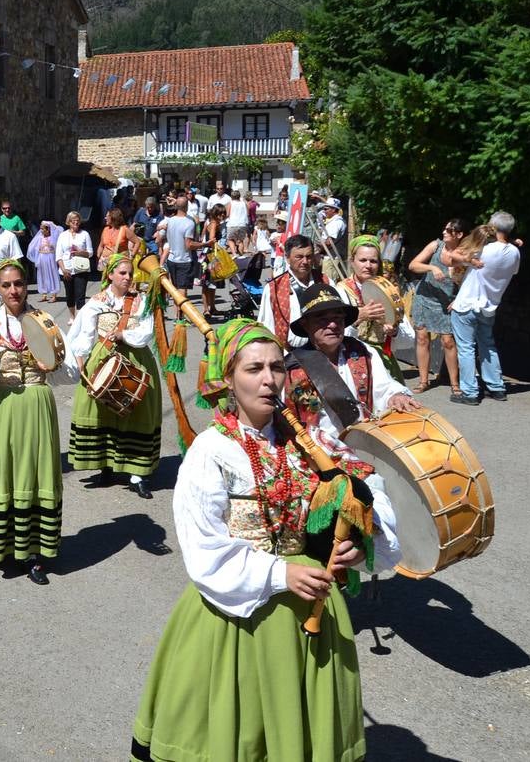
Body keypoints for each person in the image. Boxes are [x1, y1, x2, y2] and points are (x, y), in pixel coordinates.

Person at [129, 319, 401, 762]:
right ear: (228, 378)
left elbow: (366, 493)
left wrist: (356, 542)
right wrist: (280, 572)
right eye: (253, 368)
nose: (269, 379)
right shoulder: (212, 451)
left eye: (276, 367)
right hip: (237, 611)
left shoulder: (310, 439)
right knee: (238, 730)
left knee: (298, 731)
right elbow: (203, 547)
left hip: (311, 606)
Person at [0, 259, 78, 584]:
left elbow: (72, 373)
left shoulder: (45, 321)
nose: (13, 290)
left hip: (36, 407)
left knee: (33, 478)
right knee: (2, 474)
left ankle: (33, 553)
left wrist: (51, 364)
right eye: (6, 285)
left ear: (27, 286)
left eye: (19, 284)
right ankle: (1, 546)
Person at [66, 253, 163, 498]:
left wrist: (123, 336)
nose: (128, 278)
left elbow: (146, 332)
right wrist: (79, 358)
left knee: (136, 411)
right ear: (109, 274)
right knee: (100, 413)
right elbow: (83, 333)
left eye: (130, 273)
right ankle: (106, 466)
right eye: (122, 273)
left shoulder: (140, 301)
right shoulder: (96, 302)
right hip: (102, 360)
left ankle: (137, 474)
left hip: (135, 360)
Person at [284, 284, 420, 439]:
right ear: (305, 324)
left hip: (364, 445)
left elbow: (384, 387)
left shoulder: (362, 350)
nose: (333, 325)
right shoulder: (292, 368)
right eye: (322, 319)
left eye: (337, 318)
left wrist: (396, 395)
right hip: (320, 453)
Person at [450, 211, 521, 405]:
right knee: (488, 345)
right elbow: (512, 271)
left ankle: (470, 392)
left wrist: (468, 260)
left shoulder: (484, 249)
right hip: (490, 305)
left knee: (466, 348)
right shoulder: (515, 252)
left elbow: (452, 256)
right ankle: (496, 387)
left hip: (467, 303)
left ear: (493, 226)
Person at [335, 235, 406, 383]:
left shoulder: (387, 289)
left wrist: (394, 332)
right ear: (352, 262)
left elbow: (409, 338)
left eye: (373, 261)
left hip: (382, 360)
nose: (368, 265)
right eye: (363, 260)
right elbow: (334, 335)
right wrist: (359, 317)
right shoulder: (341, 290)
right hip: (350, 359)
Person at [407, 218, 464, 396]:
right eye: (444, 229)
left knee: (448, 341)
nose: (444, 232)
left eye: (449, 230)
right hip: (424, 297)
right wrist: (432, 267)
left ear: (459, 235)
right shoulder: (435, 245)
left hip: (447, 301)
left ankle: (455, 384)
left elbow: (472, 280)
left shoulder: (465, 253)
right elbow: (413, 265)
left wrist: (460, 299)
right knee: (422, 338)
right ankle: (423, 381)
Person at [257, 234, 323, 348]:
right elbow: (267, 326)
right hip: (289, 354)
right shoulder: (274, 288)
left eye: (309, 256)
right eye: (299, 257)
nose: (305, 261)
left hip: (323, 352)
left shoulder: (325, 282)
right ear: (287, 258)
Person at [158, 198, 205, 320]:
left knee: (175, 290)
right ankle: (180, 318)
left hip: (171, 259)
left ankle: (178, 316)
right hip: (184, 260)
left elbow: (162, 230)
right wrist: (205, 244)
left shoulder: (171, 220)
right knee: (182, 291)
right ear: (187, 207)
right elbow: (189, 245)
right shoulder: (189, 223)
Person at [56, 210, 94, 322]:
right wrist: (63, 269)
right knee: (70, 295)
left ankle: (80, 319)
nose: (76, 224)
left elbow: (90, 253)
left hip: (81, 269)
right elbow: (58, 255)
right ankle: (72, 316)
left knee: (80, 295)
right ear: (69, 222)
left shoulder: (84, 234)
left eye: (78, 221)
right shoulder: (63, 235)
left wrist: (79, 251)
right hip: (66, 268)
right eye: (73, 221)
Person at [199, 206, 227, 319]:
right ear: (216, 214)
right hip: (210, 256)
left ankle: (212, 308)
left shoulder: (209, 222)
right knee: (207, 284)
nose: (223, 215)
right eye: (220, 213)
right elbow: (211, 240)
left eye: (224, 213)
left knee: (210, 284)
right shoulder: (214, 223)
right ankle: (207, 309)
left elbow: (202, 236)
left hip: (206, 254)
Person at [27, 220, 62, 301]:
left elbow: (59, 229)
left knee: (52, 275)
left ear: (48, 229)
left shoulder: (53, 237)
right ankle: (44, 294)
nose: (41, 231)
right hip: (42, 257)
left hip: (50, 258)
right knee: (42, 275)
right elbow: (33, 246)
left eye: (43, 229)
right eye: (41, 229)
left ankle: (54, 294)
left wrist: (50, 223)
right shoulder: (39, 238)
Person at [319, 198, 348, 281]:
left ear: (334, 209)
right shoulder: (333, 221)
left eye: (326, 209)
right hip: (329, 256)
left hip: (331, 257)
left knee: (329, 282)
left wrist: (318, 248)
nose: (324, 211)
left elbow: (329, 242)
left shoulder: (336, 222)